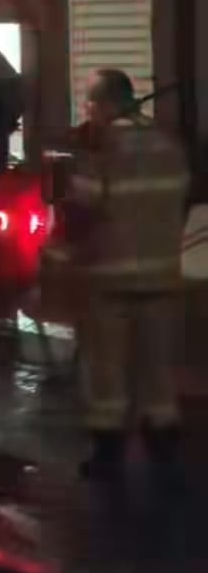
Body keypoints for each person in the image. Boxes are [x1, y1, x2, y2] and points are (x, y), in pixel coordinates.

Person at [46, 68, 189, 485]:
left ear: (104, 104)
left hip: (109, 281)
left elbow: (82, 210)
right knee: (158, 372)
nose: (87, 112)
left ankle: (108, 455)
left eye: (89, 104)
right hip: (161, 278)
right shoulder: (169, 143)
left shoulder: (102, 148)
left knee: (107, 373)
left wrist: (60, 256)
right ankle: (165, 451)